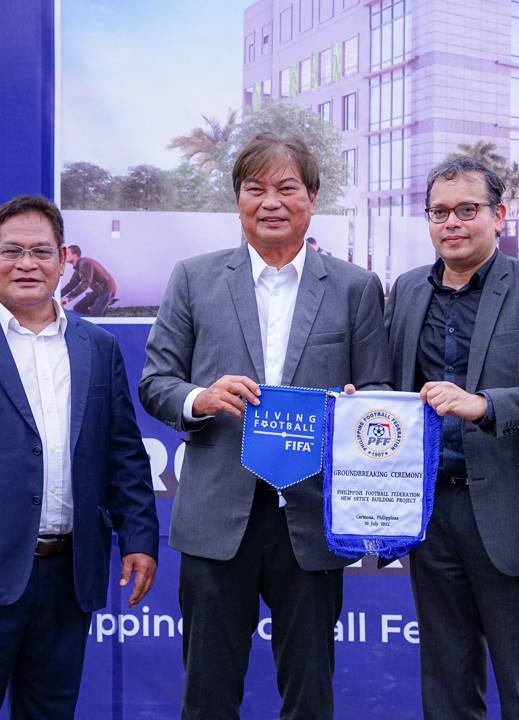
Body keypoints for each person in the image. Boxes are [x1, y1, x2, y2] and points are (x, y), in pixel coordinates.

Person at [139, 133, 391, 720]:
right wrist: (202, 397)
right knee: (207, 691)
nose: (271, 202)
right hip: (215, 519)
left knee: (309, 693)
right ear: (238, 200)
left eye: (287, 188)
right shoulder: (194, 278)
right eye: (256, 189)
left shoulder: (354, 287)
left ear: (313, 197)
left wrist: (355, 409)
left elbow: (378, 389)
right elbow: (156, 382)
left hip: (310, 516)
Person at [385, 156, 519, 719]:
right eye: (440, 212)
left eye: (467, 210)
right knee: (446, 690)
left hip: (511, 513)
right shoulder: (404, 291)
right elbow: (389, 386)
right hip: (428, 516)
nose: (452, 222)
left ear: (499, 216)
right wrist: (366, 400)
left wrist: (485, 405)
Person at [0, 195, 159, 719]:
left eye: (40, 251)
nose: (26, 263)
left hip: (68, 577)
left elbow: (124, 453)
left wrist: (139, 538)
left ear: (64, 258)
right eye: (11, 251)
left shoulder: (97, 346)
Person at [61, 244, 117, 315]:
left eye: (67, 253)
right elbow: (71, 284)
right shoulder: (78, 268)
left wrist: (68, 298)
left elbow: (85, 283)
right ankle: (100, 308)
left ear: (75, 255)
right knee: (78, 308)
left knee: (95, 316)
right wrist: (56, 295)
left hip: (107, 290)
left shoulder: (85, 263)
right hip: (98, 292)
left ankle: (104, 309)